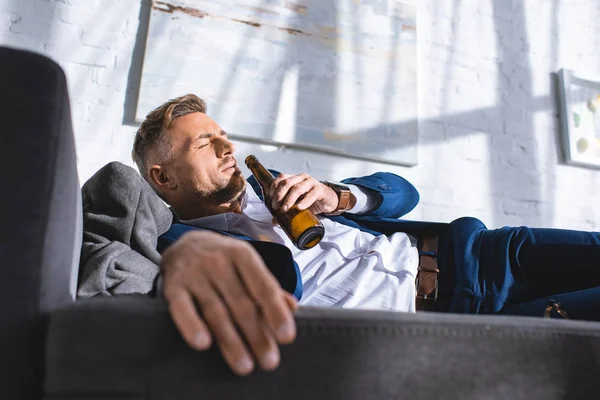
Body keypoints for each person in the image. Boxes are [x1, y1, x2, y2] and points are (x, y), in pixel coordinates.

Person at [129, 94, 600, 376]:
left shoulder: (267, 182)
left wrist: (338, 197)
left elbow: (403, 193)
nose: (228, 147)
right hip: (457, 321)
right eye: (205, 144)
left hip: (482, 252)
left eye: (224, 134)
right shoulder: (180, 245)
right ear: (164, 178)